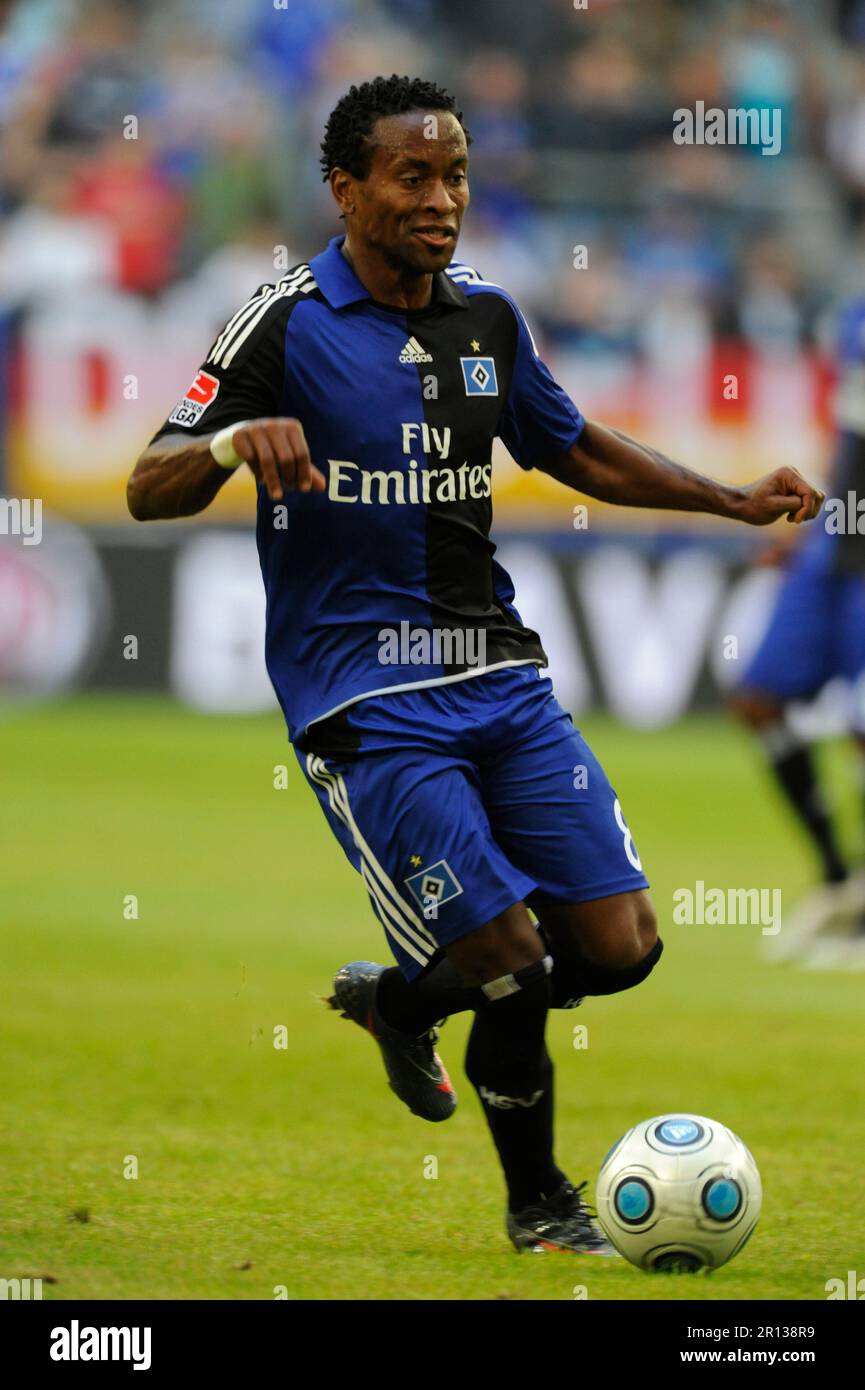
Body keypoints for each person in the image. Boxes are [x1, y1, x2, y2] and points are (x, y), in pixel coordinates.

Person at [127, 76, 824, 1254]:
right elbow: (151, 482)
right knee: (507, 956)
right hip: (364, 698)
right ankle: (542, 1207)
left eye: (453, 175)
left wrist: (727, 498)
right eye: (412, 176)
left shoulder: (488, 319)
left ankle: (399, 1000)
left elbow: (574, 446)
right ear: (346, 190)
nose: (440, 199)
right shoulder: (284, 319)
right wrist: (234, 440)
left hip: (499, 675)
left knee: (618, 948)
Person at [731, 296, 865, 965]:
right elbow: (851, 437)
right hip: (835, 550)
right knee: (757, 699)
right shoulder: (853, 314)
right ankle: (839, 880)